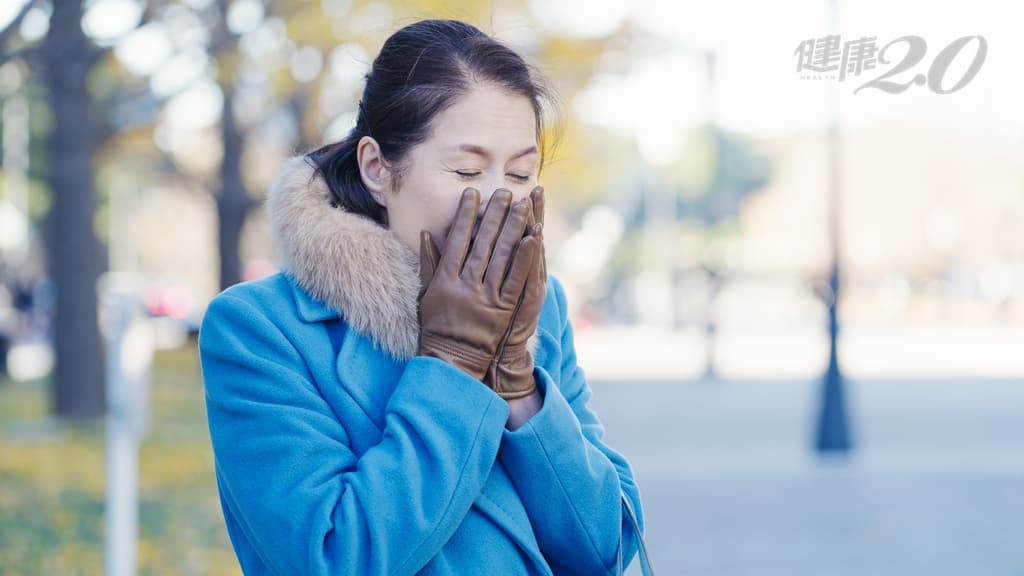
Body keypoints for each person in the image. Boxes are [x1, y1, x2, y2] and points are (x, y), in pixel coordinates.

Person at [198, 18, 644, 575]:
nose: (498, 201)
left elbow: (609, 546)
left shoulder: (537, 307)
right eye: (467, 169)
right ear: (377, 168)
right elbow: (335, 560)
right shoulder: (260, 331)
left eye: (521, 172)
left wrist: (517, 385)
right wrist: (454, 364)